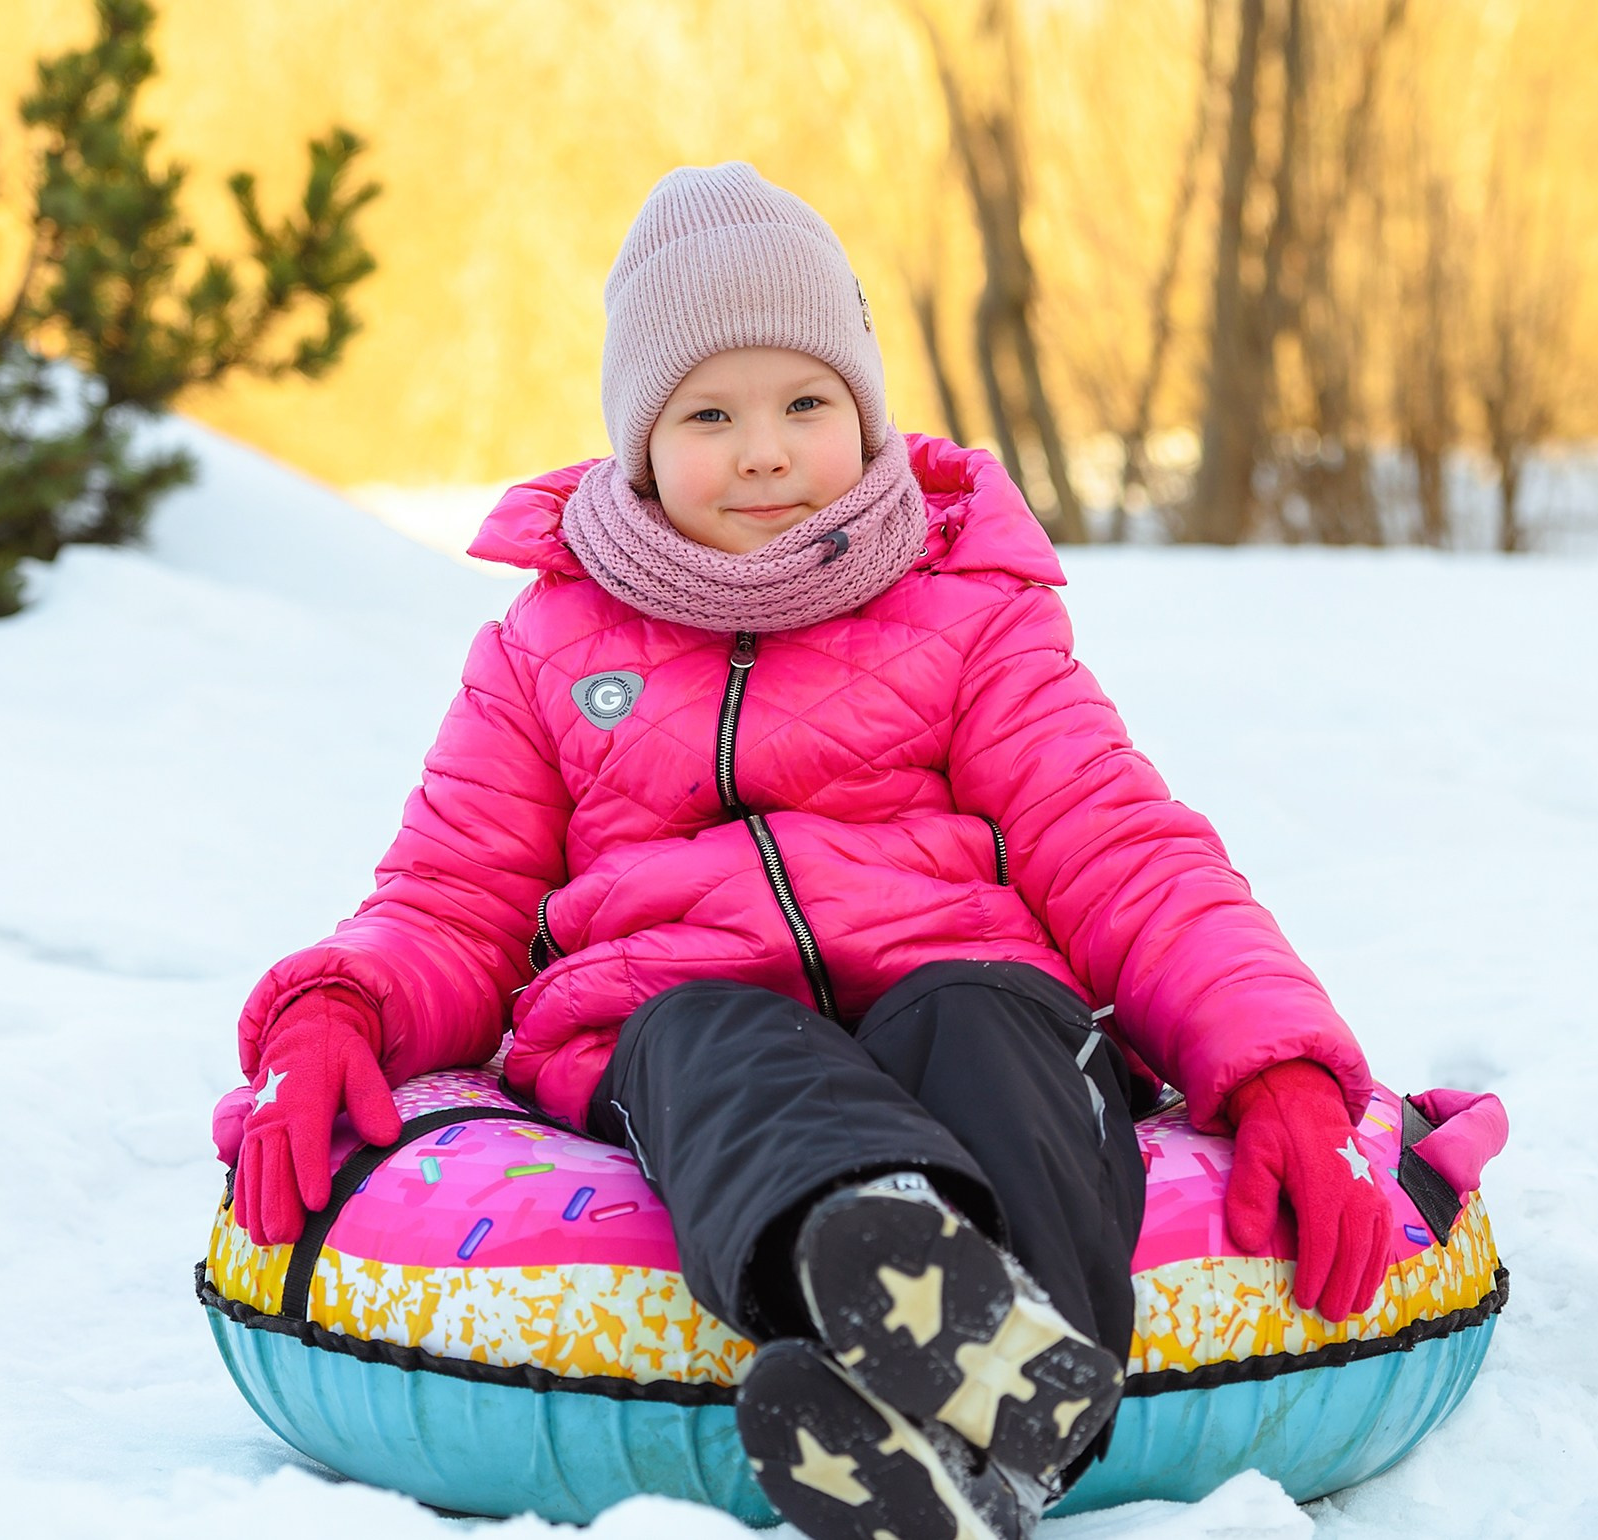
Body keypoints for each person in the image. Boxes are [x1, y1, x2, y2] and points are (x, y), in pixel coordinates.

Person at [227, 163, 1392, 1540]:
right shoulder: (543, 653)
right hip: (682, 1021)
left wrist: (1277, 1065)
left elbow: (1124, 852)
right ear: (638, 444)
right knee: (709, 1033)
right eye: (708, 415)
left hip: (957, 996)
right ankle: (872, 1239)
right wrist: (338, 1007)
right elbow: (449, 893)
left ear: (863, 414)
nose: (765, 451)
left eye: (804, 404)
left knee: (989, 1016)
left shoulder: (969, 619)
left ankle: (996, 1430)